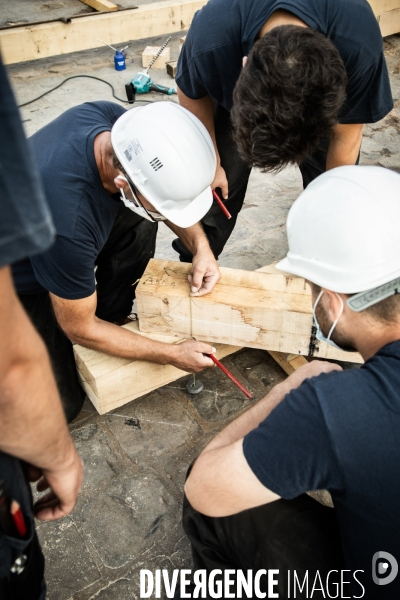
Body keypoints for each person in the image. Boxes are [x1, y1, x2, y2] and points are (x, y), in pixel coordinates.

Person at [181, 166, 400, 599]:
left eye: (309, 287)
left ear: (333, 302)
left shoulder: (339, 407)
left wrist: (288, 392)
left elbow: (204, 488)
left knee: (214, 507)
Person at [12, 101, 221, 423]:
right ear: (123, 184)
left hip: (57, 235)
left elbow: (159, 195)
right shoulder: (69, 224)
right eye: (164, 205)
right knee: (61, 406)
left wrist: (200, 247)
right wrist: (171, 354)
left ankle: (111, 319)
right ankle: (91, 323)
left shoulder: (115, 124)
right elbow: (78, 328)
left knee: (140, 219)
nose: (166, 213)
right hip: (19, 277)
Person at [175, 0, 393, 262]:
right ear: (243, 65)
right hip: (238, 80)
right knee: (213, 184)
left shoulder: (357, 43)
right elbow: (190, 91)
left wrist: (333, 205)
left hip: (324, 89)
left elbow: (346, 136)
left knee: (333, 193)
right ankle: (199, 257)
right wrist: (211, 161)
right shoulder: (212, 38)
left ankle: (331, 255)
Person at [0, 57, 83, 600]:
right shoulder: (70, 223)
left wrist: (198, 246)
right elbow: (9, 367)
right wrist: (60, 457)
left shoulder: (97, 116)